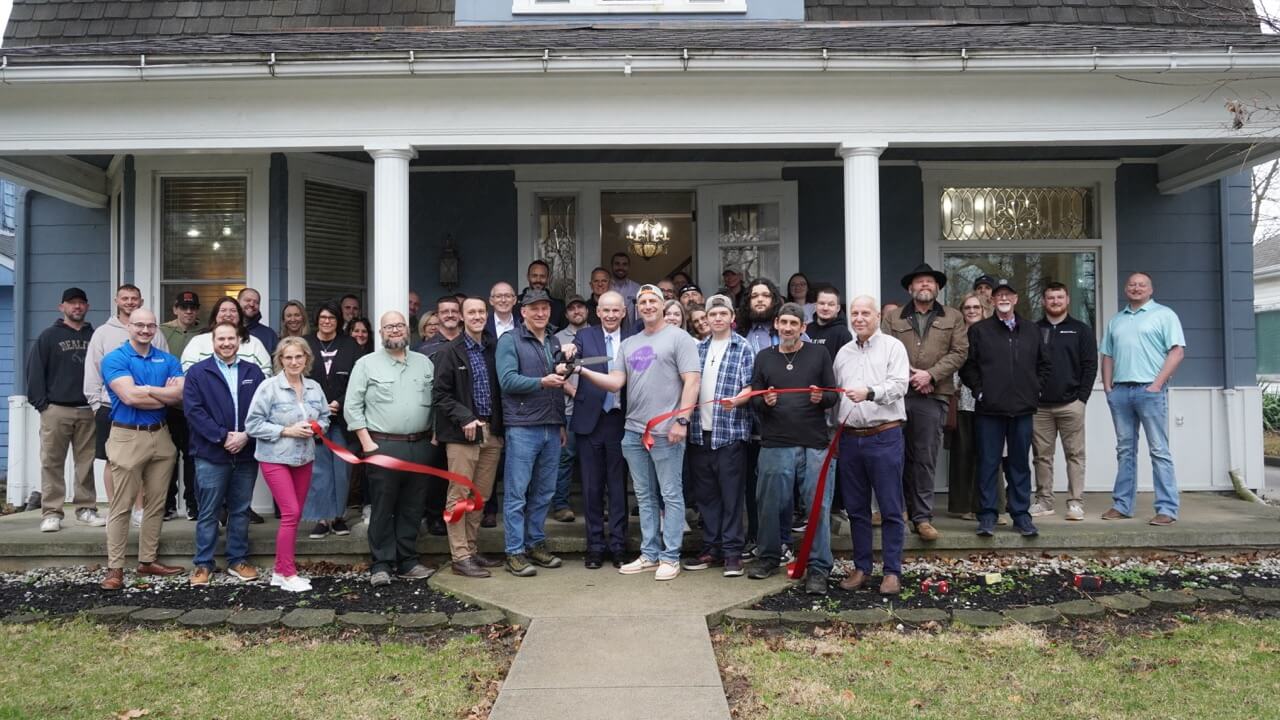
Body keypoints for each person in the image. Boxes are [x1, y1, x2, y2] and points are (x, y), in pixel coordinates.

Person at [577, 284, 700, 582]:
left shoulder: (679, 338)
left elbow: (692, 382)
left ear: (662, 304)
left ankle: (670, 557)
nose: (647, 306)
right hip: (633, 432)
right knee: (644, 496)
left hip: (665, 431)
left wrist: (681, 421)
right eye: (642, 302)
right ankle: (649, 553)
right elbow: (616, 382)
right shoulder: (629, 344)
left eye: (652, 301)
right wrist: (581, 370)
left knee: (670, 494)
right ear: (636, 308)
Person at [747, 302, 839, 591]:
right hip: (775, 443)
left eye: (794, 324)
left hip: (814, 444)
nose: (788, 328)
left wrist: (819, 398)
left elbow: (832, 395)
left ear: (803, 328)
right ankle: (769, 556)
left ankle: (818, 567)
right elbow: (755, 398)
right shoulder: (764, 357)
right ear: (776, 324)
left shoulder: (818, 354)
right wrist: (765, 402)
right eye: (783, 322)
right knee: (771, 505)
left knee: (817, 508)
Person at [345, 312, 436, 586]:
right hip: (382, 445)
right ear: (381, 332)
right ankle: (381, 563)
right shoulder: (366, 364)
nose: (394, 330)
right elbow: (352, 406)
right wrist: (366, 443)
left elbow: (438, 401)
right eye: (389, 327)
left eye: (399, 325)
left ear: (408, 330)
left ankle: (408, 560)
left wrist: (433, 439)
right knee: (383, 506)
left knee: (413, 506)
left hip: (420, 445)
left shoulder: (425, 363)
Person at [99, 309, 185, 590]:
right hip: (127, 435)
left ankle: (147, 561)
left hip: (161, 436)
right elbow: (129, 396)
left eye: (150, 325)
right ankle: (115, 568)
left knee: (156, 504)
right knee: (121, 506)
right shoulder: (116, 359)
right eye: (139, 325)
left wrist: (146, 390)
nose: (145, 330)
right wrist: (161, 393)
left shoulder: (169, 359)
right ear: (129, 326)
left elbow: (180, 395)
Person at [882, 263, 969, 542]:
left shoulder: (953, 317)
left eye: (929, 282)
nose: (924, 286)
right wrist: (910, 377)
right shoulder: (893, 318)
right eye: (919, 282)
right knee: (894, 457)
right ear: (910, 288)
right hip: (897, 396)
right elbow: (884, 350)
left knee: (924, 457)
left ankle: (922, 518)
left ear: (938, 288)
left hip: (934, 395)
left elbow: (959, 352)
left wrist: (930, 374)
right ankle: (898, 512)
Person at [960, 280, 1050, 537]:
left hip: (1022, 409)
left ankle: (1021, 515)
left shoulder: (1032, 330)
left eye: (1008, 294)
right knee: (988, 463)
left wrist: (1036, 388)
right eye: (998, 295)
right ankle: (987, 515)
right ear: (992, 301)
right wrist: (979, 390)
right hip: (989, 409)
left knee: (1019, 464)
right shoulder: (980, 331)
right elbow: (968, 366)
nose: (1003, 298)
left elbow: (1044, 365)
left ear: (1016, 299)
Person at [834, 296, 909, 596]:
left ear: (878, 315)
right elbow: (837, 397)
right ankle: (862, 568)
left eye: (866, 313)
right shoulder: (843, 353)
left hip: (884, 436)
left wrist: (870, 393)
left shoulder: (893, 347)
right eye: (855, 313)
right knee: (856, 509)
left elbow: (899, 385)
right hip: (851, 439)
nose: (860, 318)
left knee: (891, 507)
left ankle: (891, 571)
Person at [495, 288, 572, 577]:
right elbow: (507, 380)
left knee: (545, 492)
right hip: (523, 427)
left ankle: (535, 544)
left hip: (551, 426)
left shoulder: (552, 340)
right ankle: (514, 552)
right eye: (534, 308)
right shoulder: (510, 340)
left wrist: (561, 423)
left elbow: (557, 385)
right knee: (517, 493)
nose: (541, 313)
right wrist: (541, 381)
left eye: (545, 308)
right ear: (522, 311)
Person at [1100, 272, 1186, 526]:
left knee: (1159, 450)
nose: (1136, 288)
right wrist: (1107, 387)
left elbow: (1177, 351)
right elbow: (1107, 354)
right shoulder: (1116, 320)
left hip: (1149, 391)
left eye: (1142, 285)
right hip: (1121, 392)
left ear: (1150, 289)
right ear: (1126, 289)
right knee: (1125, 450)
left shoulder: (1164, 315)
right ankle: (1122, 504)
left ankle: (1167, 508)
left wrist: (1157, 385)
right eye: (1132, 285)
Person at [184, 321, 266, 587]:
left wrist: (245, 435)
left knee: (240, 510)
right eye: (221, 339)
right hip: (211, 453)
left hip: (245, 452)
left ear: (238, 340)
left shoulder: (253, 371)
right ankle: (203, 564)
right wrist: (222, 436)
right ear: (213, 341)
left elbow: (262, 408)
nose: (226, 343)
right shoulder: (198, 372)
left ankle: (237, 560)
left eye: (231, 338)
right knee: (208, 512)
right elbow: (194, 411)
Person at [246, 337, 331, 592]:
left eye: (299, 357)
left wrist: (317, 428)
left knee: (293, 516)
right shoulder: (268, 387)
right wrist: (287, 430)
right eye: (288, 357)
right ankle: (286, 572)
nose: (294, 362)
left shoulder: (314, 387)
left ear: (307, 358)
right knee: (291, 512)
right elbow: (252, 425)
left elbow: (325, 417)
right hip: (275, 458)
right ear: (280, 360)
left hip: (304, 457)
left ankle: (281, 571)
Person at [434, 297, 506, 578]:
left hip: (491, 433)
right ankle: (459, 555)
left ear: (486, 315)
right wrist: (464, 417)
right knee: (459, 494)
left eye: (480, 312)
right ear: (462, 317)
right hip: (463, 434)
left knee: (481, 496)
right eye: (471, 312)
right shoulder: (450, 351)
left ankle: (472, 550)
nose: (477, 316)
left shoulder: (492, 348)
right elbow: (440, 394)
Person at [85, 284, 170, 523]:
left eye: (134, 298)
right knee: (114, 461)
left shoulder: (155, 333)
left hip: (150, 407)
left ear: (140, 301)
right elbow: (92, 369)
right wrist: (95, 403)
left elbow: (165, 367)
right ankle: (117, 509)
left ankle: (140, 511)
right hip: (109, 407)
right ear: (116, 300)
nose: (130, 302)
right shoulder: (103, 333)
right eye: (125, 298)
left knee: (141, 461)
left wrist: (160, 397)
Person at [683, 294, 754, 577]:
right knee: (707, 496)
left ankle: (733, 552)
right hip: (701, 433)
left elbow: (751, 385)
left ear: (731, 317)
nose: (717, 318)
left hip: (731, 432)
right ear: (707, 318)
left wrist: (737, 400)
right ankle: (712, 548)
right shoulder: (698, 348)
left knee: (731, 495)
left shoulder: (743, 347)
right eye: (712, 314)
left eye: (722, 314)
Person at [29, 287, 105, 532]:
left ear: (87, 307)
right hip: (56, 409)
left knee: (86, 463)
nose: (77, 307)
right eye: (72, 303)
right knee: (52, 462)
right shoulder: (48, 336)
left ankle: (86, 508)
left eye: (81, 303)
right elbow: (35, 371)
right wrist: (42, 405)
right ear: (61, 307)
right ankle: (51, 512)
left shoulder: (95, 336)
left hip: (88, 409)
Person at [571, 291, 634, 569]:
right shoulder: (584, 337)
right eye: (605, 310)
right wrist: (567, 353)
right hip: (590, 421)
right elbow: (566, 363)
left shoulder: (634, 337)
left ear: (623, 312)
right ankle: (595, 546)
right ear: (597, 311)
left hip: (622, 419)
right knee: (592, 487)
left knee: (618, 487)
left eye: (615, 310)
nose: (610, 315)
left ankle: (619, 545)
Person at [1030, 282, 1097, 522]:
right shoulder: (1034, 330)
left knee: (1075, 455)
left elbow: (1090, 365)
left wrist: (1082, 398)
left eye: (1059, 297)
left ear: (1067, 300)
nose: (1055, 301)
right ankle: (1043, 501)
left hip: (1071, 404)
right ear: (1043, 302)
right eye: (1050, 297)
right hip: (1040, 407)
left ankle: (1075, 503)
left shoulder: (1081, 330)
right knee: (1041, 456)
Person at [303, 301, 361, 539]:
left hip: (341, 418)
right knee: (319, 470)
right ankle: (322, 518)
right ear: (317, 319)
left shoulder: (350, 346)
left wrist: (339, 401)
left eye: (332, 318)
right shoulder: (305, 343)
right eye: (323, 317)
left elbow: (358, 380)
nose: (327, 322)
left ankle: (338, 517)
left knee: (341, 469)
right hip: (312, 417)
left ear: (339, 321)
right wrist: (316, 407)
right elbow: (297, 378)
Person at [947, 292, 1005, 522]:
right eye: (967, 308)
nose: (971, 311)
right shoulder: (956, 336)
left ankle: (997, 507)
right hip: (962, 402)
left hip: (989, 403)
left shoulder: (994, 334)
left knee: (991, 457)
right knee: (964, 457)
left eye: (976, 307)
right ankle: (967, 506)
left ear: (984, 310)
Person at [160, 290, 203, 519]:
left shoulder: (204, 333)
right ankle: (167, 503)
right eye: (184, 307)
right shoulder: (162, 331)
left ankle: (192, 503)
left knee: (192, 456)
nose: (188, 311)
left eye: (192, 308)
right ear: (175, 309)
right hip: (167, 404)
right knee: (167, 456)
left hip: (193, 406)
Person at [551, 295, 590, 523]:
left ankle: (594, 504)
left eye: (580, 307)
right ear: (566, 314)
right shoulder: (556, 339)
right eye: (572, 308)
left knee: (593, 459)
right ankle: (561, 505)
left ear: (587, 311)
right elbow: (554, 373)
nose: (577, 311)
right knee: (565, 458)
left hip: (594, 409)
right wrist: (575, 393)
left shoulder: (597, 334)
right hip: (568, 408)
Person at [180, 297, 272, 376]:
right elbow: (187, 372)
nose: (228, 314)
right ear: (215, 315)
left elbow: (266, 373)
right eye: (223, 310)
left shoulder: (253, 343)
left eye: (233, 311)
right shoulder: (198, 341)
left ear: (239, 316)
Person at [807, 286, 852, 361]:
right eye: (821, 303)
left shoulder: (843, 334)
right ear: (815, 306)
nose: (825, 308)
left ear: (838, 308)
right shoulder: (807, 329)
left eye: (831, 304)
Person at [524, 259, 567, 329]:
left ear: (548, 279)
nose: (538, 280)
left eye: (542, 276)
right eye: (534, 276)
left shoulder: (559, 306)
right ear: (528, 277)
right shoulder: (516, 304)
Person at [238, 287, 278, 354]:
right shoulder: (227, 331)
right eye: (248, 300)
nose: (252, 304)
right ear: (238, 302)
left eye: (256, 302)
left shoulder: (269, 335)